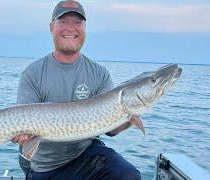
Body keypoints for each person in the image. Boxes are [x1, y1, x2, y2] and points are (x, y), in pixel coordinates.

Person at [12, 0, 141, 179]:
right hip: (47, 166)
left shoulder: (99, 73)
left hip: (87, 156)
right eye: (63, 21)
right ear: (51, 27)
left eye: (77, 22)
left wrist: (129, 116)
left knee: (127, 175)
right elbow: (23, 127)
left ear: (85, 28)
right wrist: (22, 135)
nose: (70, 28)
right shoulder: (33, 73)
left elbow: (111, 130)